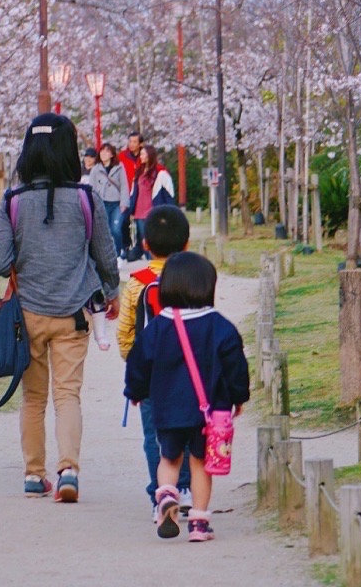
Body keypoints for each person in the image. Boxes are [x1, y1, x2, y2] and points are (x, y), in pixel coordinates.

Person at [0, 112, 119, 505]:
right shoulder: (85, 198)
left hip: (26, 315)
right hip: (73, 315)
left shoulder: (11, 202)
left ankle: (33, 475)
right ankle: (68, 471)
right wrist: (111, 292)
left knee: (32, 398)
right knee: (67, 396)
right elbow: (105, 255)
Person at [124, 250, 250, 543]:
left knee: (169, 459)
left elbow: (138, 361)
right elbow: (235, 365)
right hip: (209, 412)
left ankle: (166, 495)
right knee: (200, 465)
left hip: (167, 408)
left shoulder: (157, 327)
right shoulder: (220, 326)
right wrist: (238, 397)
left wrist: (135, 391)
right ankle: (199, 523)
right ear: (208, 287)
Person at [117, 204, 192, 509]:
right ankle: (185, 488)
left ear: (145, 244)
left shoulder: (138, 281)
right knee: (186, 429)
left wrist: (132, 361)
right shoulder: (193, 276)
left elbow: (126, 330)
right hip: (188, 370)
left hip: (151, 372)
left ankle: (160, 493)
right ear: (186, 244)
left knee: (153, 434)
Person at [87, 142, 129, 255]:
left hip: (116, 203)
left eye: (107, 151)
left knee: (116, 229)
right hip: (102, 203)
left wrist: (124, 203)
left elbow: (124, 185)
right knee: (106, 231)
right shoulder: (95, 169)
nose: (103, 154)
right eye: (102, 151)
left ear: (111, 154)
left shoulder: (119, 167)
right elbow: (92, 188)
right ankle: (110, 255)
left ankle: (119, 253)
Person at [129, 144, 175, 232]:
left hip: (153, 210)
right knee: (142, 240)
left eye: (143, 154)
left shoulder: (161, 172)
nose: (140, 156)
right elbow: (133, 192)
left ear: (149, 155)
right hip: (139, 212)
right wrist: (131, 209)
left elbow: (169, 194)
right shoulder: (139, 172)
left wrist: (169, 213)